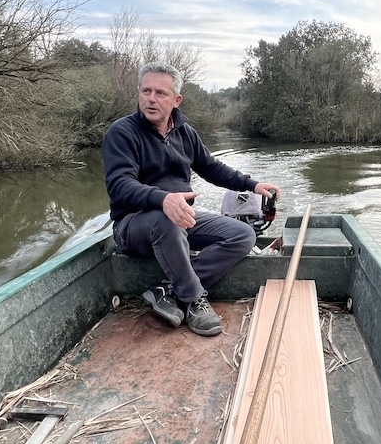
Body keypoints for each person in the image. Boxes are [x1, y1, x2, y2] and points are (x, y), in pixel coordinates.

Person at [102, 61, 281, 337]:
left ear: (176, 100)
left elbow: (211, 168)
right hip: (133, 226)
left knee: (243, 235)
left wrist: (253, 185)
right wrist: (163, 199)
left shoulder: (185, 132)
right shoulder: (122, 133)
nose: (151, 99)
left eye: (160, 93)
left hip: (179, 220)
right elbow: (120, 186)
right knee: (167, 217)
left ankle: (167, 290)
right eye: (145, 91)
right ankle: (193, 297)